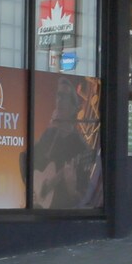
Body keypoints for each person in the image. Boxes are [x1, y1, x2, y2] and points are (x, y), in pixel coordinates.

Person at [32, 72, 103, 210]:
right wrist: (32, 188)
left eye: (64, 97)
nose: (59, 100)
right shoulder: (49, 134)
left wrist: (72, 190)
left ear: (73, 107)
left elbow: (85, 200)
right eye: (58, 95)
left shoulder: (82, 148)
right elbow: (27, 161)